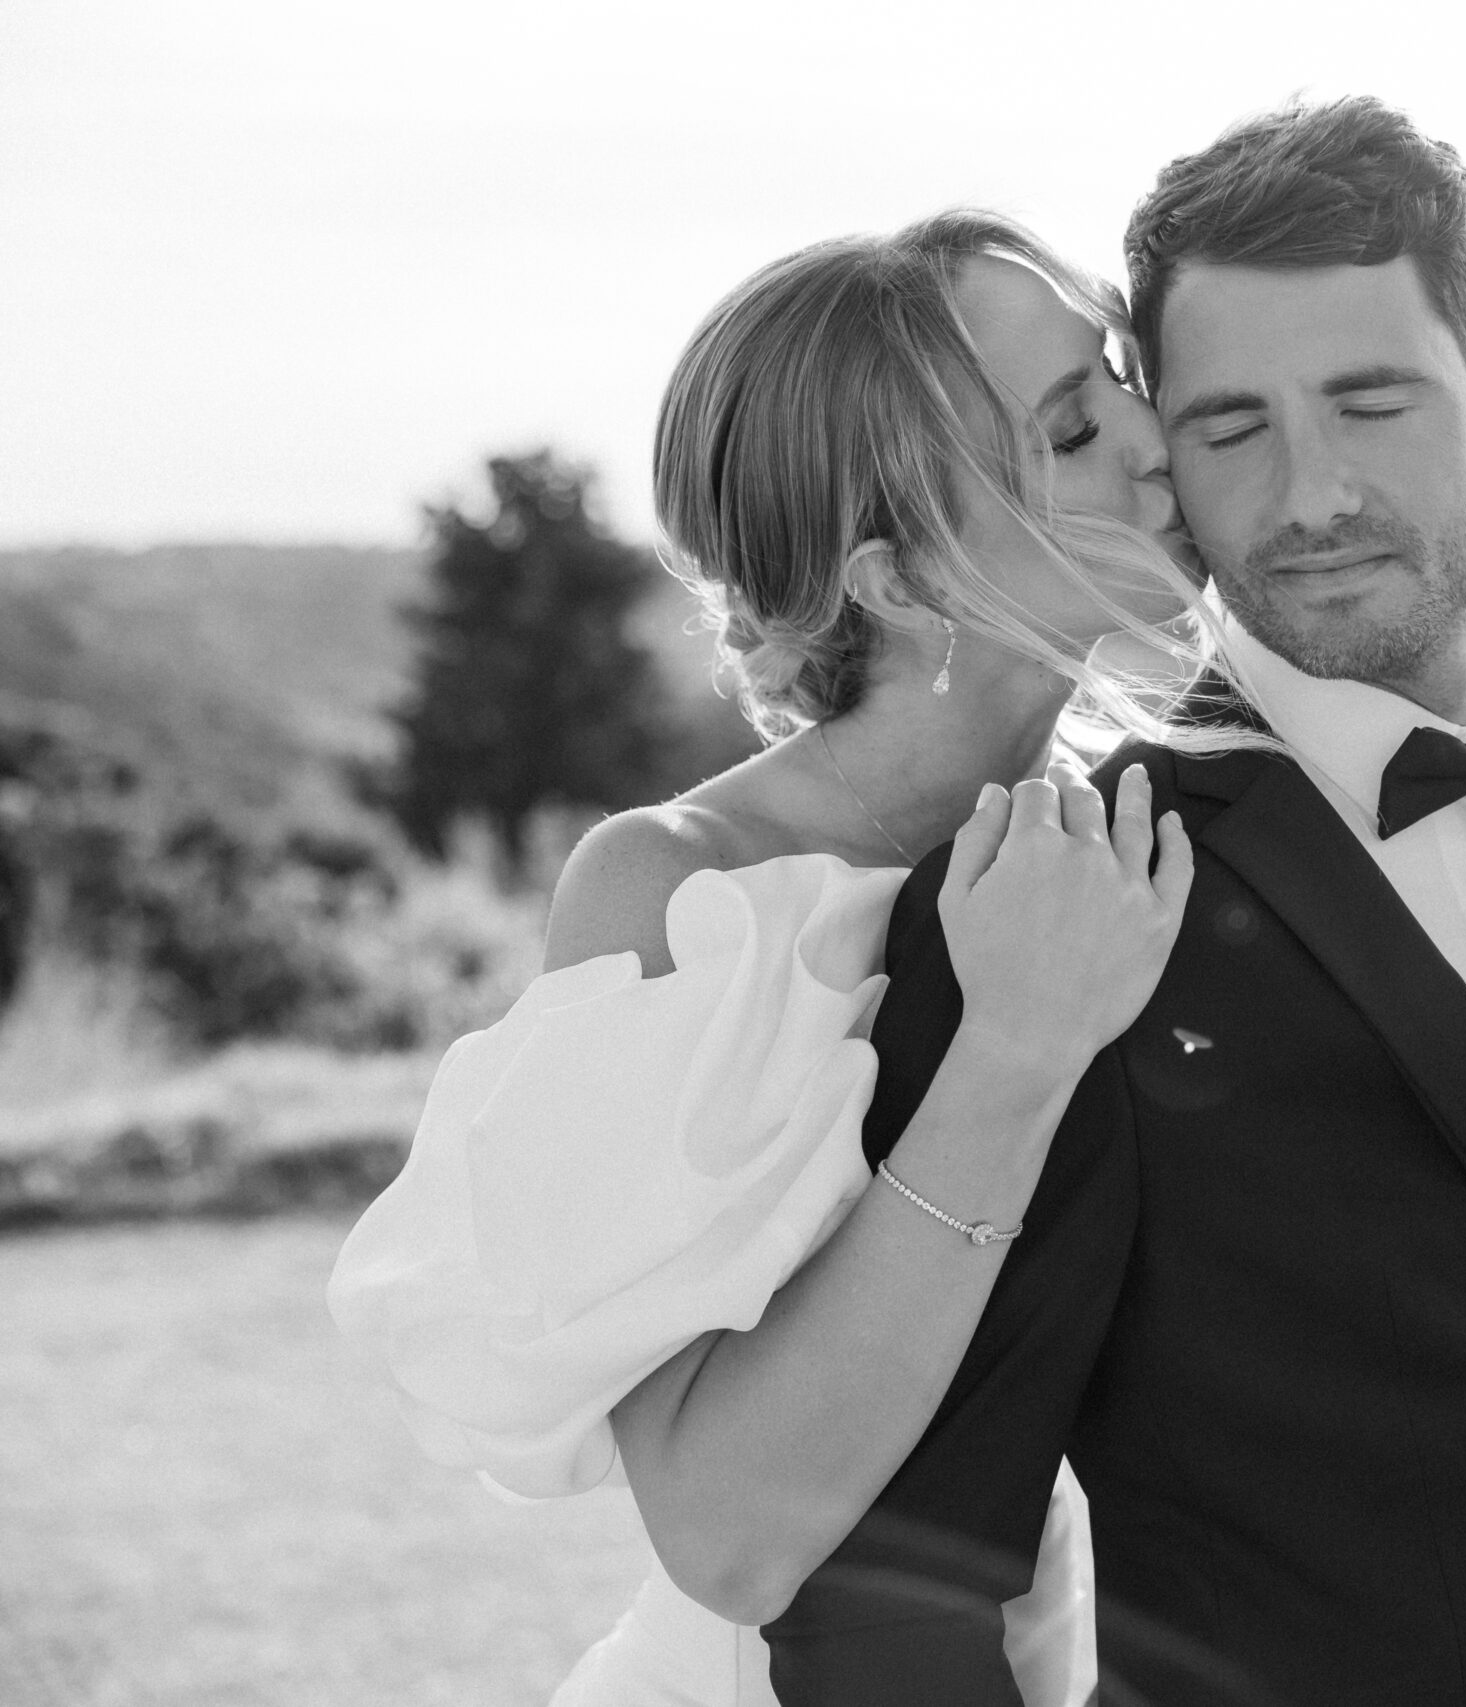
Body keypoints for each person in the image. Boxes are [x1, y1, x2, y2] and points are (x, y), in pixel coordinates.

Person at [771, 99, 1466, 1707]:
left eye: (1372, 402)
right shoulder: (1061, 903)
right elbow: (882, 1606)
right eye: (1230, 428)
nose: (1311, 497)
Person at [327, 211, 1211, 1707]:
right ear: (898, 580)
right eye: (1072, 429)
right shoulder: (688, 894)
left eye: (1120, 378)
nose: (1152, 436)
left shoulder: (1131, 840)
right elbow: (728, 1541)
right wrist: (1013, 1052)